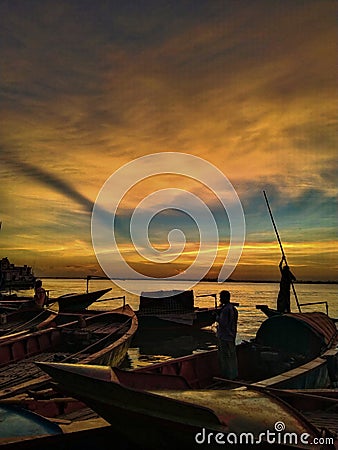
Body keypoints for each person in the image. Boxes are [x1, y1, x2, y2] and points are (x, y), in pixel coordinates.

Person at [216, 290, 238, 380]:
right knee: (232, 357)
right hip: (231, 336)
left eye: (221, 297)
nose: (220, 299)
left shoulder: (226, 310)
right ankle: (233, 374)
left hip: (225, 337)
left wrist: (217, 317)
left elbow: (223, 323)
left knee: (225, 357)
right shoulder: (233, 309)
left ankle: (227, 375)